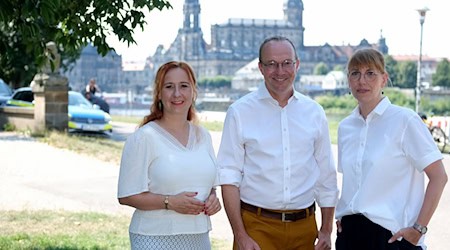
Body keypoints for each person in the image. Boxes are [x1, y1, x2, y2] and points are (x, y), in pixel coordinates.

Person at [217, 36, 339, 250]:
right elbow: (229, 177)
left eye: (286, 63)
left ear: (297, 65)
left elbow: (326, 175)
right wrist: (240, 235)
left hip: (305, 228)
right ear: (261, 68)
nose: (280, 71)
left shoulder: (314, 113)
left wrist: (326, 230)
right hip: (256, 227)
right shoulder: (240, 112)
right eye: (271, 64)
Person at [335, 48, 448, 250]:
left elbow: (439, 177)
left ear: (384, 79)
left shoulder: (405, 120)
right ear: (348, 80)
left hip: (391, 238)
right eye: (355, 73)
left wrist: (419, 229)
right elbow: (354, 183)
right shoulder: (345, 127)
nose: (362, 80)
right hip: (349, 236)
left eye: (370, 73)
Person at [117, 61, 222, 250]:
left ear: (193, 91)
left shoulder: (203, 136)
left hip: (198, 237)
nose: (177, 94)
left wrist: (213, 199)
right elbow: (126, 195)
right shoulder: (144, 138)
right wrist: (169, 202)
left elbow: (209, 186)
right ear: (159, 93)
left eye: (183, 86)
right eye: (169, 87)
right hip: (154, 237)